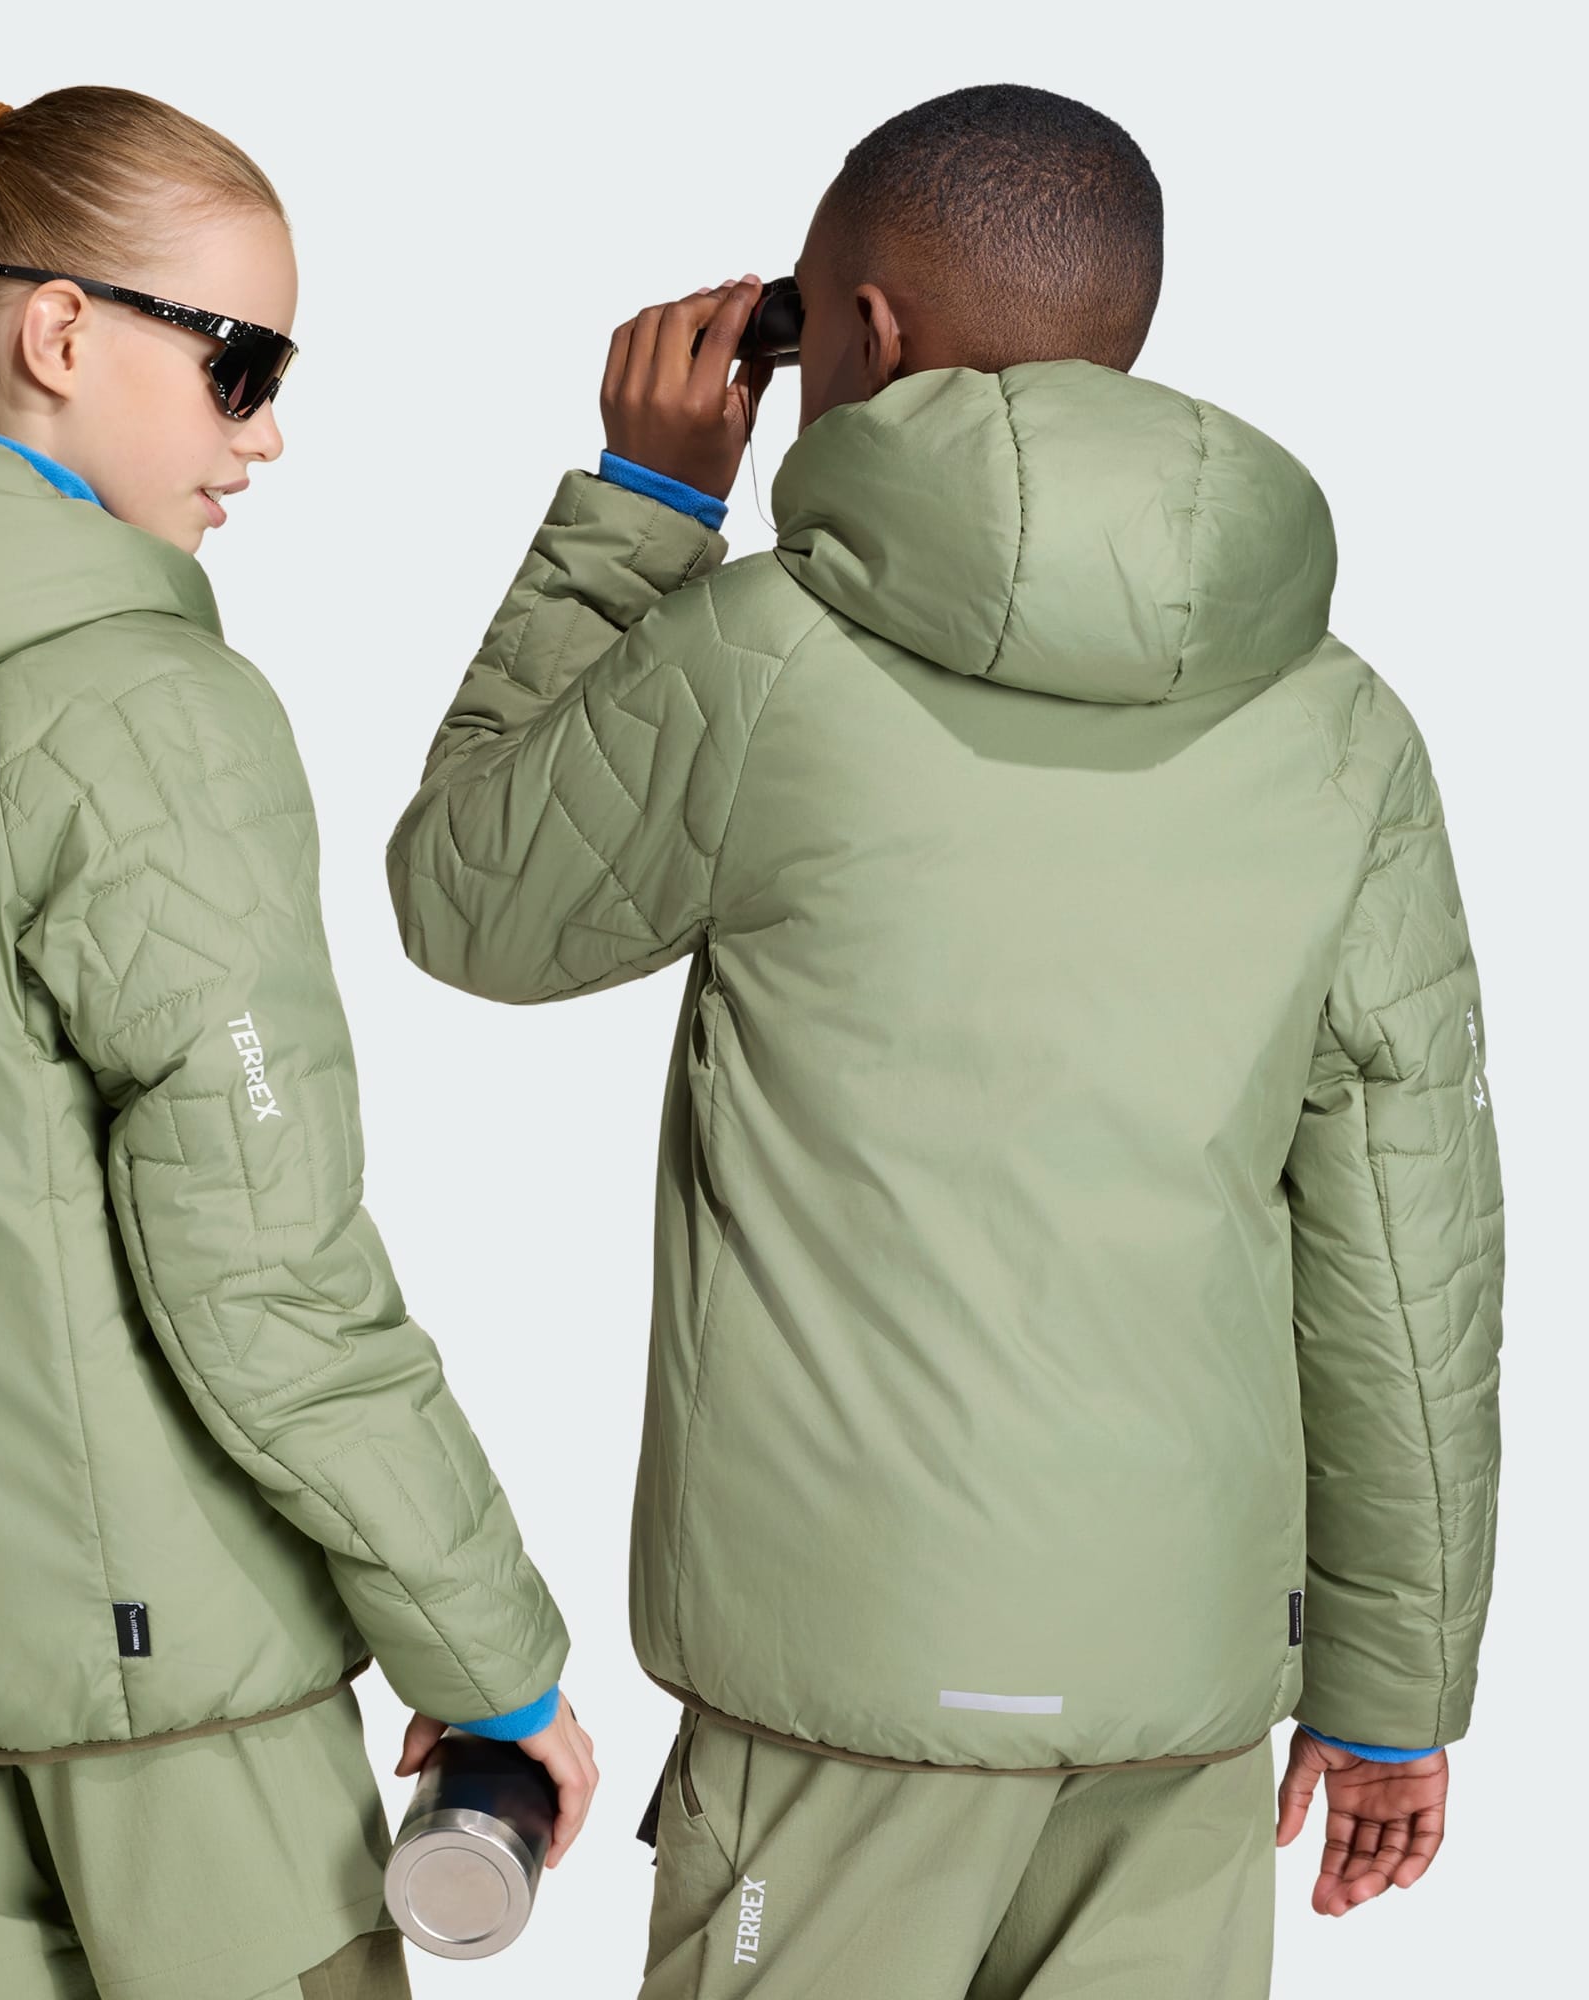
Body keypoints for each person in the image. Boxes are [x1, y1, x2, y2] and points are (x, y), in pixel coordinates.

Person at [385, 83, 1501, 1998]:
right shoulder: (1342, 725)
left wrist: (646, 503)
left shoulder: (765, 656)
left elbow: (468, 904)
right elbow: (1408, 1252)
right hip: (1179, 1695)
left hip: (838, 1690)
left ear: (868, 333)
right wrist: (1395, 1688)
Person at [0, 86, 595, 2000]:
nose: (267, 428)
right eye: (242, 363)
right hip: (175, 1702)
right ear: (63, 333)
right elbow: (267, 1276)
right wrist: (494, 1660)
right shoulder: (140, 711)